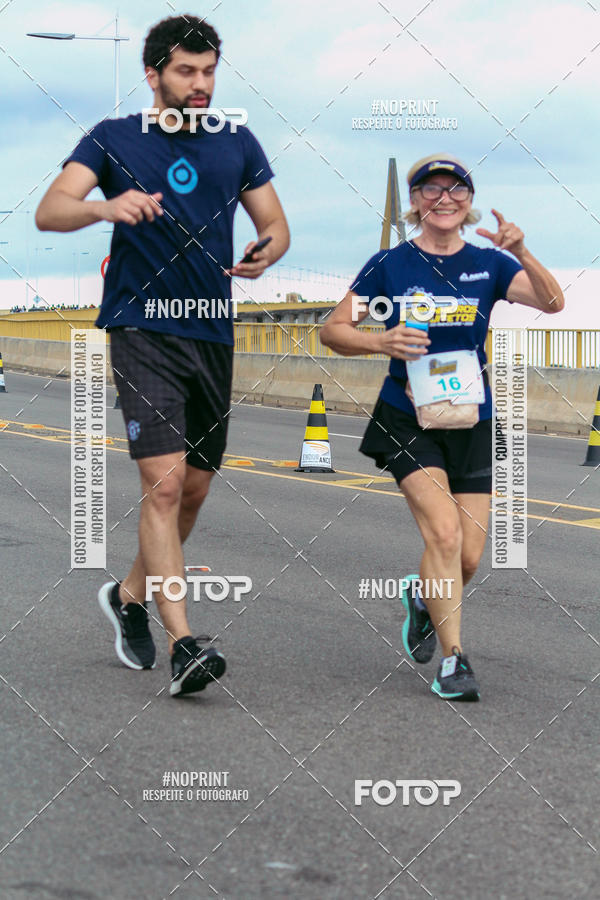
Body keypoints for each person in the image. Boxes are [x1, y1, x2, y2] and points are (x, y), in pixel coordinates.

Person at [36, 16, 290, 696]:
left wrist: (267, 253)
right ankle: (185, 643)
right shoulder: (112, 138)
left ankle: (127, 596)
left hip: (211, 332)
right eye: (186, 72)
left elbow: (276, 225)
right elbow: (51, 210)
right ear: (154, 74)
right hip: (141, 327)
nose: (200, 84)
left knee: (195, 490)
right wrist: (105, 207)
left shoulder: (237, 143)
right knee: (166, 485)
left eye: (209, 72)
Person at [320, 153, 563, 701]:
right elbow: (333, 330)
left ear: (469, 202)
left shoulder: (489, 264)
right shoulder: (390, 265)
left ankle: (424, 599)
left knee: (471, 556)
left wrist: (520, 250)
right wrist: (381, 340)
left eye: (456, 190)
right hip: (408, 415)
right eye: (432, 190)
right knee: (444, 534)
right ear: (415, 203)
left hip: (471, 417)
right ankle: (454, 662)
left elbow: (553, 302)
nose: (445, 198)